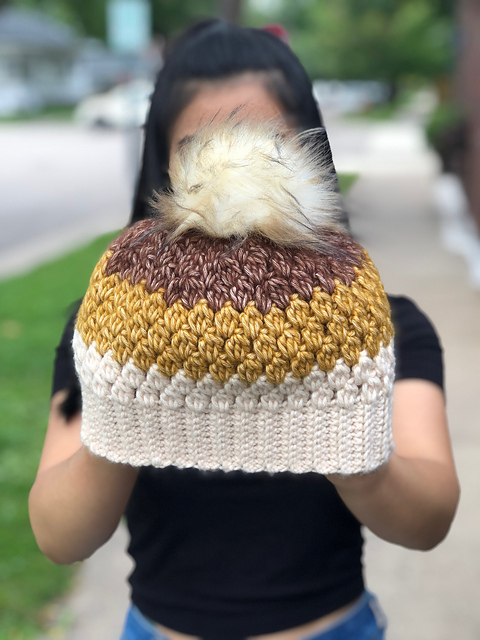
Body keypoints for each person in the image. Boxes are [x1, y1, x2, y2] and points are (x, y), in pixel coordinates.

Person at [29, 19, 460, 640]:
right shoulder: (106, 326)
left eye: (268, 150)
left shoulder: (384, 330)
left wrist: (350, 438)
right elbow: (59, 536)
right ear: (164, 166)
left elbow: (428, 521)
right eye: (204, 152)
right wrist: (126, 394)